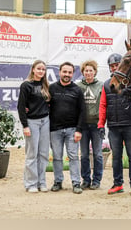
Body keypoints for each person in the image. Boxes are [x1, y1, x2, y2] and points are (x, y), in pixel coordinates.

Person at [98, 53, 131, 196]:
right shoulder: (107, 84)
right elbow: (103, 105)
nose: (114, 68)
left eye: (116, 65)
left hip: (130, 125)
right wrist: (101, 124)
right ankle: (118, 184)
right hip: (113, 126)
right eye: (111, 66)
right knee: (116, 157)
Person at [49, 61, 86, 194]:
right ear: (59, 72)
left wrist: (79, 130)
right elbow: (43, 105)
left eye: (69, 72)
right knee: (57, 157)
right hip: (55, 130)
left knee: (73, 156)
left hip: (72, 130)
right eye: (64, 72)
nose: (67, 74)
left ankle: (76, 183)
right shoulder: (51, 88)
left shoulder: (77, 90)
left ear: (72, 74)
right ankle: (58, 181)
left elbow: (82, 111)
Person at [17, 59, 50, 193]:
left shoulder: (46, 85)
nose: (41, 71)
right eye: (39, 69)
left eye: (43, 69)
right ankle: (31, 183)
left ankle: (41, 182)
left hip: (45, 121)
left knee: (43, 154)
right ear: (33, 70)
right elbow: (21, 106)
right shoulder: (26, 85)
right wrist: (25, 125)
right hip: (32, 122)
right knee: (32, 154)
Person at [77, 60, 104, 190]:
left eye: (90, 70)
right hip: (83, 126)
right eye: (86, 70)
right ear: (83, 72)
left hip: (97, 125)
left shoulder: (101, 85)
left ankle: (97, 180)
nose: (88, 73)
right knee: (84, 154)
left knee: (98, 154)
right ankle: (86, 179)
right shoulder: (78, 86)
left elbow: (105, 104)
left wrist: (103, 122)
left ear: (95, 72)